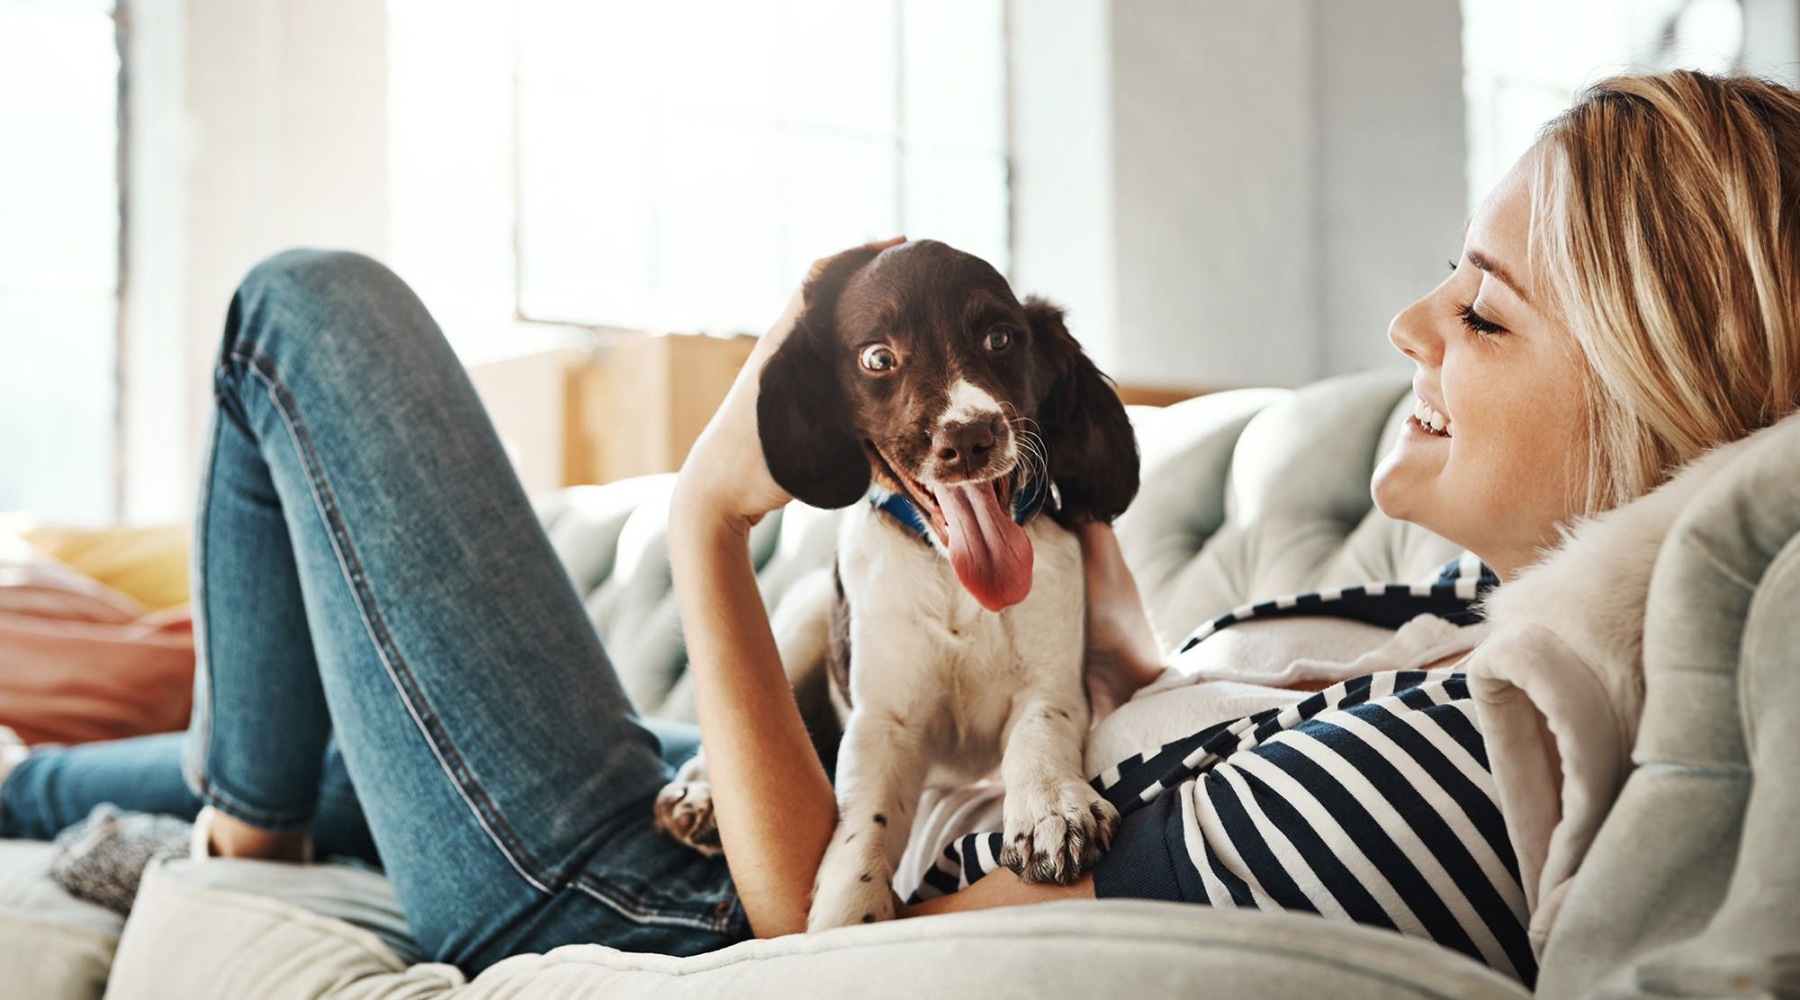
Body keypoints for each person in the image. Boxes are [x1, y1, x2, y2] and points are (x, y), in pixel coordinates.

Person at [1, 70, 1795, 986]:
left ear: (1664, 406)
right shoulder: (1427, 628)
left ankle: (231, 862)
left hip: (663, 904)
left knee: (302, 310)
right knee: (268, 730)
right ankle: (56, 791)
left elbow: (851, 943)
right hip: (713, 791)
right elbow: (1105, 708)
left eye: (1483, 316)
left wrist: (712, 521)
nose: (1409, 330)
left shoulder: (1477, 754)